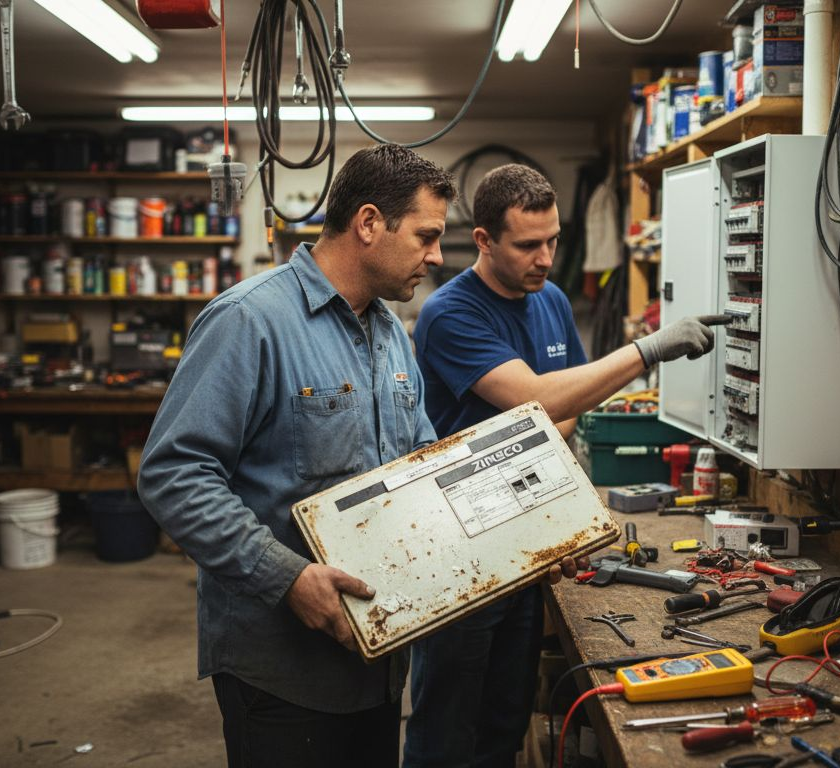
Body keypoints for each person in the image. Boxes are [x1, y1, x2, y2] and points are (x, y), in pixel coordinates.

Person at [136, 144, 456, 768]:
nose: (437, 256)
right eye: (426, 236)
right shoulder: (248, 320)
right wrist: (288, 579)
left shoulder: (390, 333)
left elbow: (420, 461)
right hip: (281, 670)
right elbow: (173, 474)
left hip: (377, 654)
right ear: (368, 224)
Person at [405, 163, 720, 768]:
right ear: (483, 241)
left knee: (505, 714)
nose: (546, 257)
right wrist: (648, 348)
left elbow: (572, 409)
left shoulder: (547, 300)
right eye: (527, 245)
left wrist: (548, 416)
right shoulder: (450, 313)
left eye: (553, 240)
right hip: (461, 548)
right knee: (447, 726)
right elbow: (548, 403)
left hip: (527, 540)